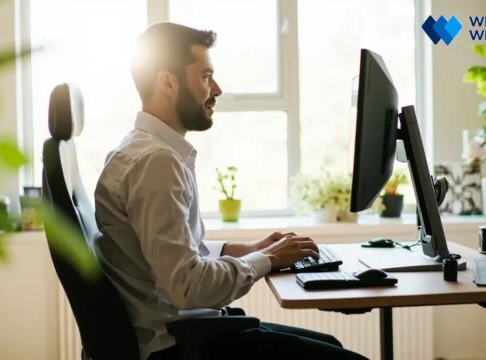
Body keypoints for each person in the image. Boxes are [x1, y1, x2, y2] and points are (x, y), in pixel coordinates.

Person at [94, 22, 369, 360]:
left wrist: (246, 249)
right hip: (177, 346)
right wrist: (267, 259)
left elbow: (170, 250)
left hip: (190, 330)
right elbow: (188, 286)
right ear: (168, 82)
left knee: (332, 346)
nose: (217, 89)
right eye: (206, 76)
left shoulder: (139, 150)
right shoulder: (156, 163)